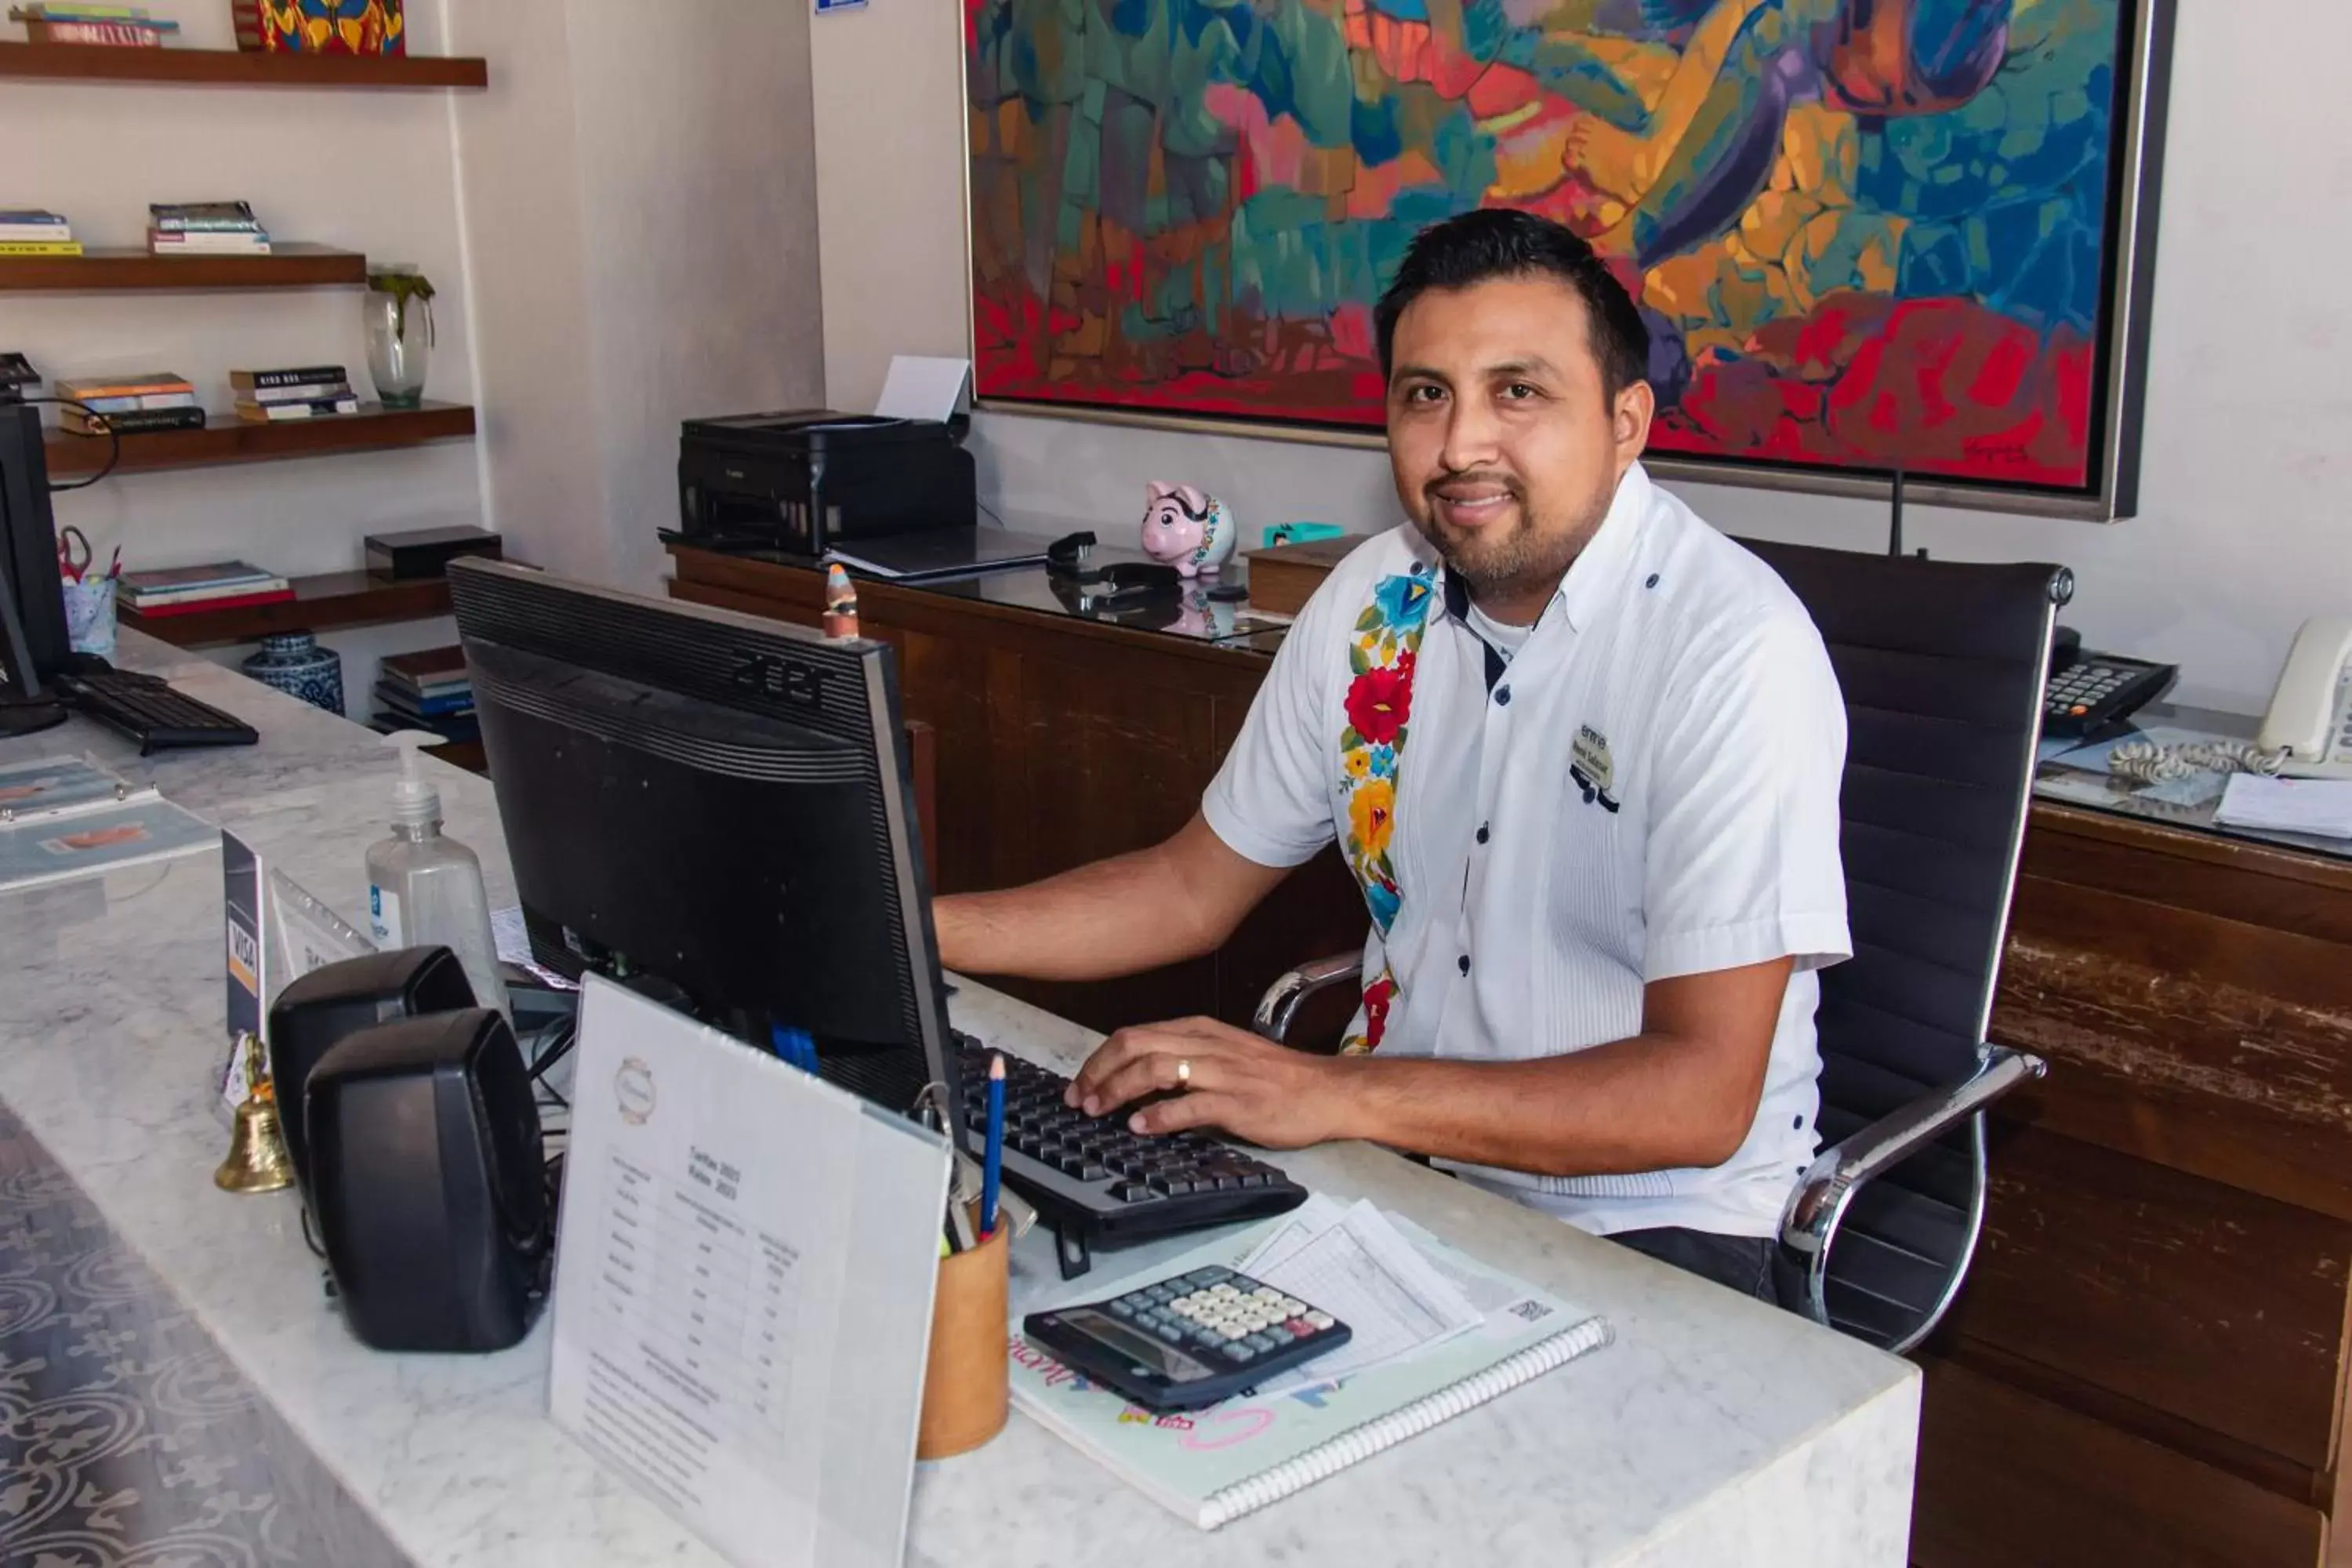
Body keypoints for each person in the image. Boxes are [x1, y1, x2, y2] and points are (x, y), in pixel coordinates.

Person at [934, 208, 1849, 1300]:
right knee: (1087, 1318)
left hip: (1659, 1224)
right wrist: (908, 923)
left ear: (1627, 420)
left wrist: (1331, 1095)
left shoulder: (1728, 650)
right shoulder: (1378, 597)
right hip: (1410, 1172)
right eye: (1427, 395)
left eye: (1520, 392)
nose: (1462, 444)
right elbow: (1189, 888)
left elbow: (1698, 1099)